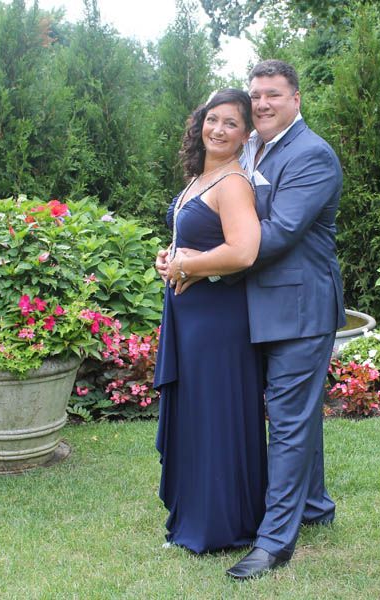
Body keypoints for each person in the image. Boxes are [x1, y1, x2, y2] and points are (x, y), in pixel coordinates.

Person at [160, 59, 345, 579]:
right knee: (295, 419)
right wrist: (186, 251)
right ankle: (314, 507)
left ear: (297, 99)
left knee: (287, 424)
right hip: (248, 309)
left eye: (274, 95)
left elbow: (276, 233)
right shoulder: (253, 149)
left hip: (298, 310)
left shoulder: (311, 155)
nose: (262, 103)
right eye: (257, 94)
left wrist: (195, 261)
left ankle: (273, 542)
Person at [153, 88, 267, 554]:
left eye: (231, 124)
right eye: (211, 119)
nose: (217, 130)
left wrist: (185, 267)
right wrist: (171, 258)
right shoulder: (202, 177)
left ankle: (220, 525)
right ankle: (197, 513)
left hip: (218, 322)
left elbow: (243, 251)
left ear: (245, 136)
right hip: (190, 317)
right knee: (196, 416)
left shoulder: (234, 182)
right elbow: (194, 241)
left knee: (214, 416)